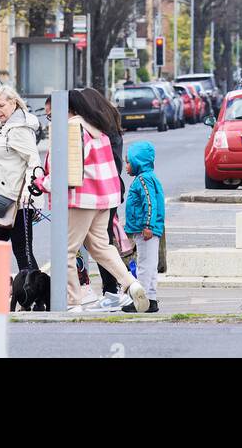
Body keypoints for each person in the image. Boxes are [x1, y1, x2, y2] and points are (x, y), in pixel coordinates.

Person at [36, 90, 149, 313]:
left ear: (68, 110)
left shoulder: (70, 130)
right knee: (101, 246)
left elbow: (65, 170)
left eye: (51, 116)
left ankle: (72, 301)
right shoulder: (98, 130)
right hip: (106, 198)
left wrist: (41, 183)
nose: (51, 120)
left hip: (81, 199)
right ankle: (131, 283)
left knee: (65, 251)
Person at [71, 88, 128, 311]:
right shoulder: (109, 124)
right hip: (112, 189)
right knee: (102, 242)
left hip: (95, 192)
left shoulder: (94, 131)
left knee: (95, 243)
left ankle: (108, 290)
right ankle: (119, 288)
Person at [0, 85, 41, 276]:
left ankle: (36, 298)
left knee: (22, 252)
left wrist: (28, 195)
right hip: (3, 200)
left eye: (1, 105)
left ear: (13, 103)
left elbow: (34, 162)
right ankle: (4, 292)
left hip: (19, 201)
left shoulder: (18, 129)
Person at [121, 141, 165, 314]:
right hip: (147, 229)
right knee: (150, 265)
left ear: (138, 162)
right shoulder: (147, 177)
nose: (126, 166)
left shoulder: (143, 179)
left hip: (145, 230)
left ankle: (142, 301)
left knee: (144, 266)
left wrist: (148, 226)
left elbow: (149, 203)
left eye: (129, 162)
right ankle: (151, 300)